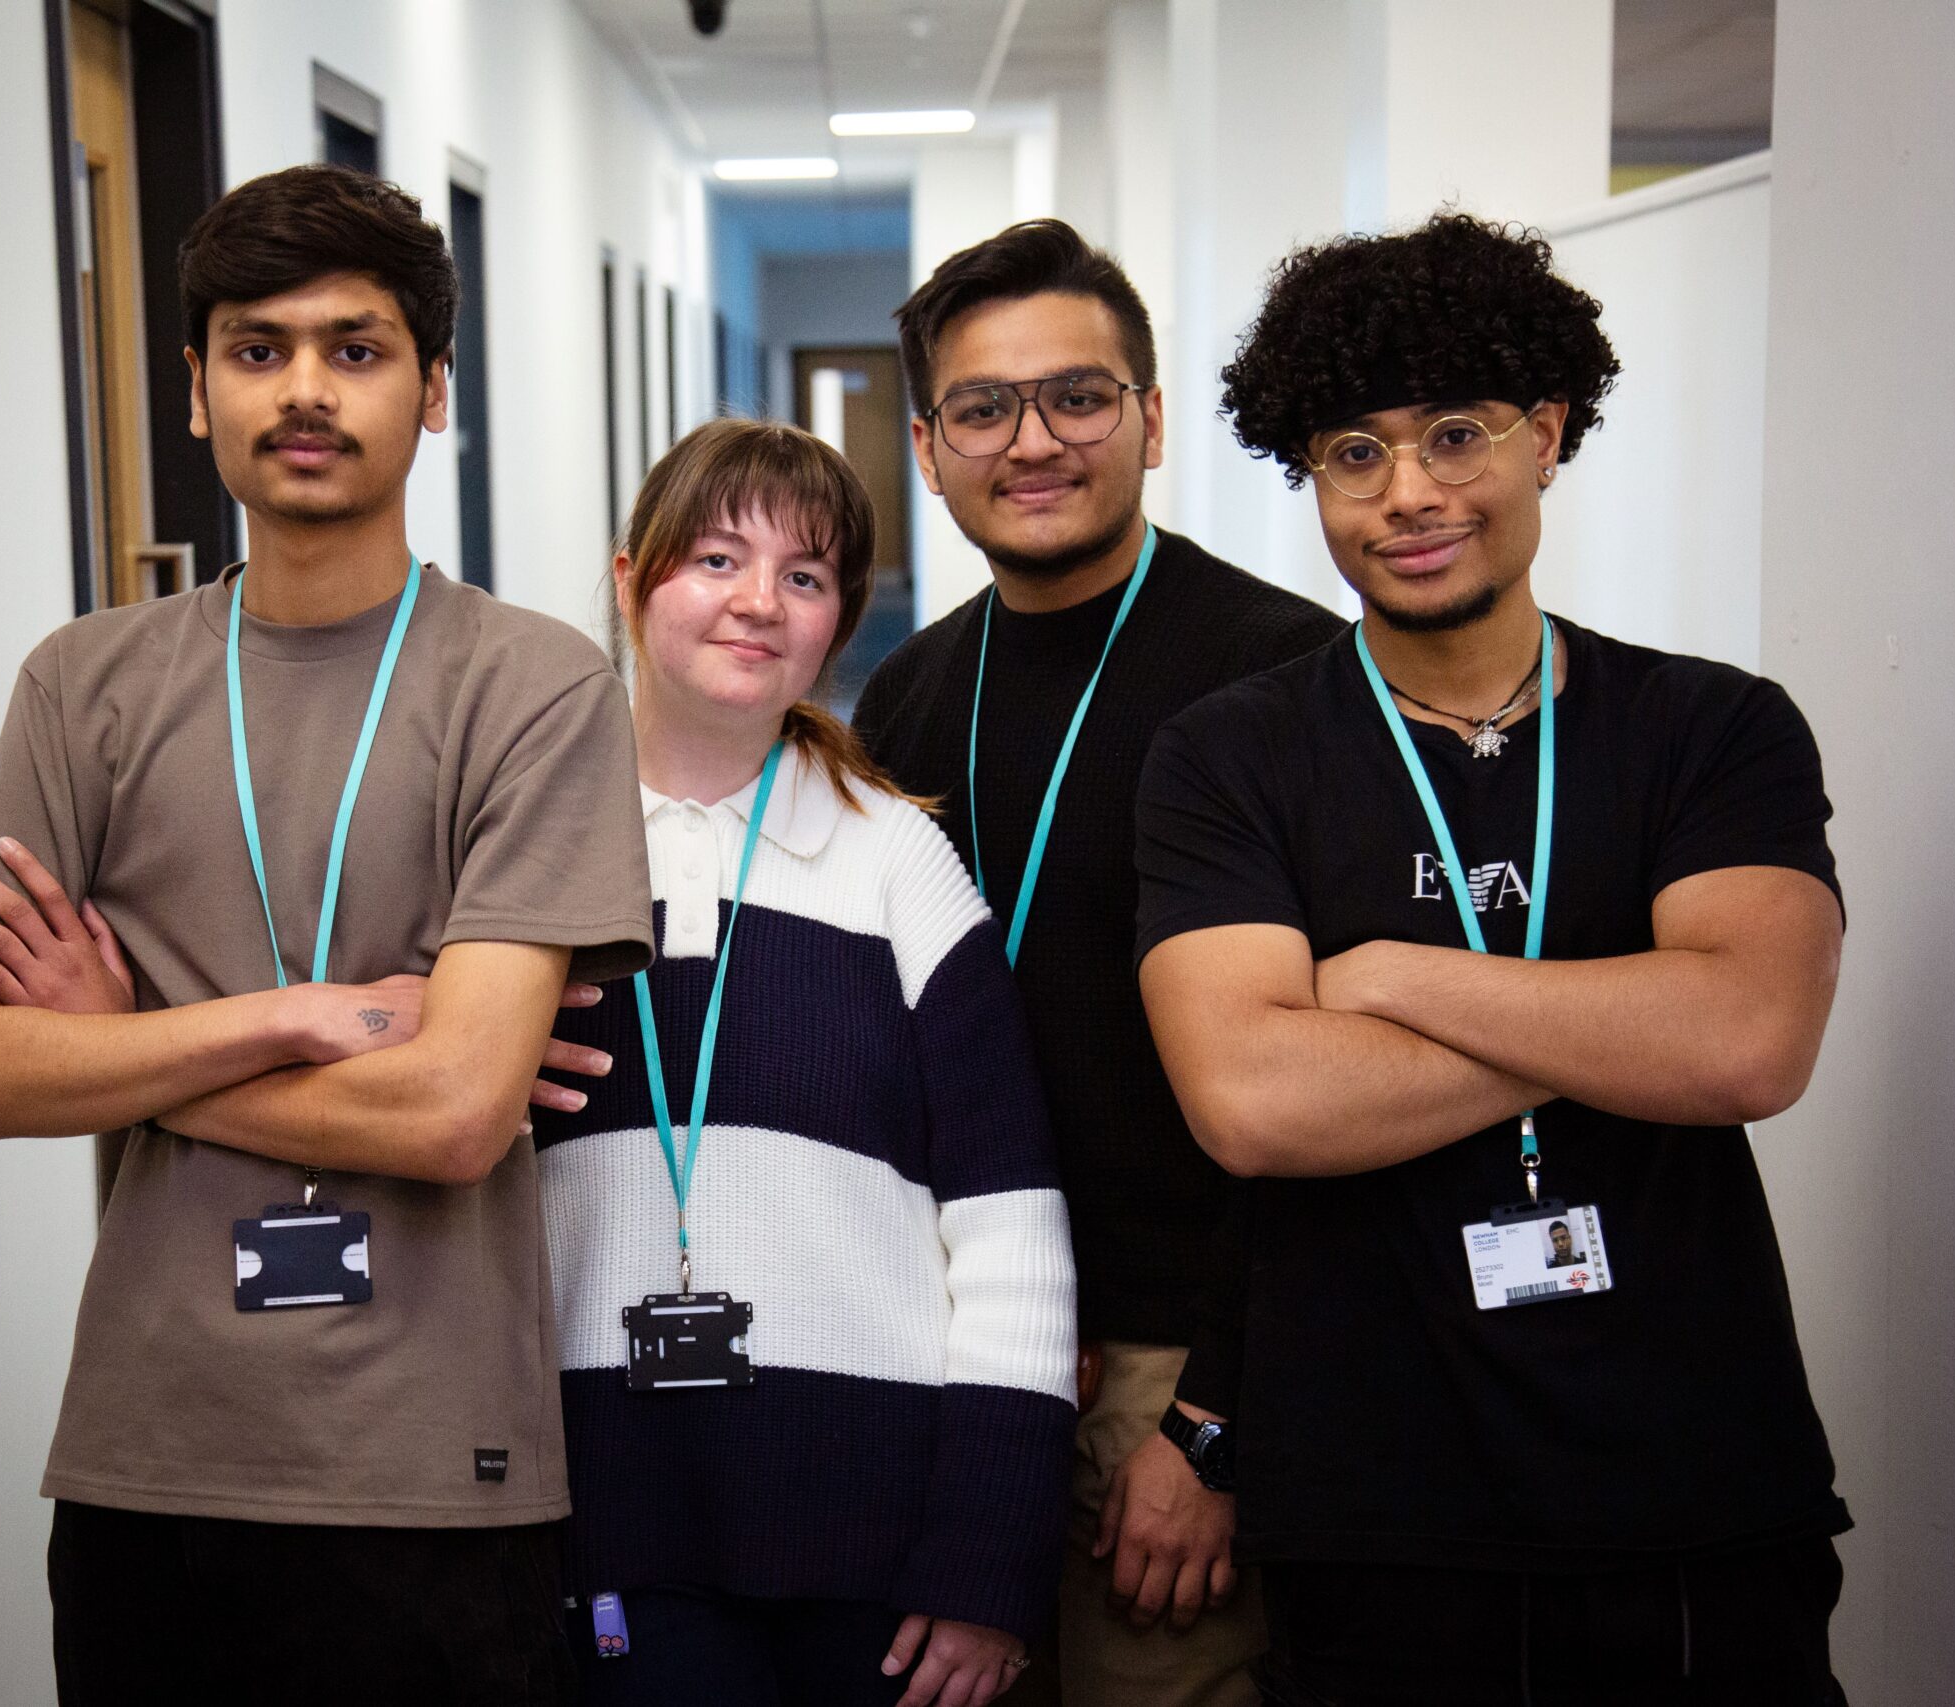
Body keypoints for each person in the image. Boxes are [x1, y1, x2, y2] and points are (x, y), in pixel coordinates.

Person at [0, 164, 653, 1705]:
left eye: (355, 349)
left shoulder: (532, 687)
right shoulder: (83, 688)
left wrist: (120, 1048)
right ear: (196, 392)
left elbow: (455, 1113)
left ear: (433, 392)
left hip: (434, 1475)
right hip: (147, 1465)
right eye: (258, 349)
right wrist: (297, 1017)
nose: (305, 389)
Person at [1134, 212, 1850, 1703]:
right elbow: (1252, 1101)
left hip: (1694, 1484)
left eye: (1455, 435)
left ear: (1547, 434)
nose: (1409, 493)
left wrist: (1387, 977)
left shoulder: (1713, 729)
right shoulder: (1229, 758)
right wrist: (1615, 1020)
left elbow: (1745, 1043)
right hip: (1379, 1508)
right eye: (1355, 453)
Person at [852, 219, 1342, 1707]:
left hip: (1169, 1356)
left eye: (1078, 396)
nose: (1033, 442)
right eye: (983, 409)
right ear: (929, 448)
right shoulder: (907, 695)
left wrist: (1213, 1422)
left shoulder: (1286, 674)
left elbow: (1326, 1101)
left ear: (1151, 418)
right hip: (962, 1333)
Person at [532, 418, 1078, 1707]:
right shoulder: (524, 847)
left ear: (839, 620)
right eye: (717, 559)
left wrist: (988, 1562)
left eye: (806, 575)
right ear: (631, 579)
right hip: (605, 1520)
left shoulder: (897, 861)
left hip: (878, 1541)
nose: (759, 603)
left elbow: (1009, 1231)